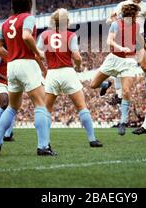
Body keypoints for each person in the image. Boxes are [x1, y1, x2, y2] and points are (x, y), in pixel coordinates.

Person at [0, 0, 56, 156]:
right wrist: (38, 52)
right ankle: (43, 147)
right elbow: (26, 36)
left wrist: (11, 56)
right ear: (29, 4)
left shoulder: (5, 23)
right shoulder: (28, 17)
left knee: (12, 107)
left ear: (13, 6)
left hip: (12, 66)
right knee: (40, 104)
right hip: (26, 64)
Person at [37, 8, 102, 148]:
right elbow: (77, 57)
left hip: (52, 73)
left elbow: (37, 54)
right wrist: (78, 67)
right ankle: (92, 139)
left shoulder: (44, 35)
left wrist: (44, 66)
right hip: (67, 71)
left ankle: (45, 143)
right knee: (81, 106)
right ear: (66, 21)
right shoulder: (70, 35)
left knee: (46, 109)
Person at [91, 3, 146, 136]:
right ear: (129, 15)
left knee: (126, 91)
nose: (137, 18)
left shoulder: (136, 25)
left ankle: (123, 122)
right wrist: (120, 48)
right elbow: (109, 41)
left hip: (128, 61)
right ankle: (106, 84)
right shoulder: (116, 24)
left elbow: (139, 39)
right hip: (113, 59)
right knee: (93, 84)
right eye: (135, 15)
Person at [101, 0, 146, 104]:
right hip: (125, 39)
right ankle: (118, 95)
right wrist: (111, 20)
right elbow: (110, 19)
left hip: (139, 37)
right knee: (119, 64)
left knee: (144, 66)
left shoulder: (145, 6)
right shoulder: (123, 5)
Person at [0, 53, 15, 142]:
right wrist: (5, 78)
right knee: (4, 104)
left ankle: (8, 134)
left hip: (11, 84)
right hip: (0, 83)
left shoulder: (14, 53)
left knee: (12, 106)